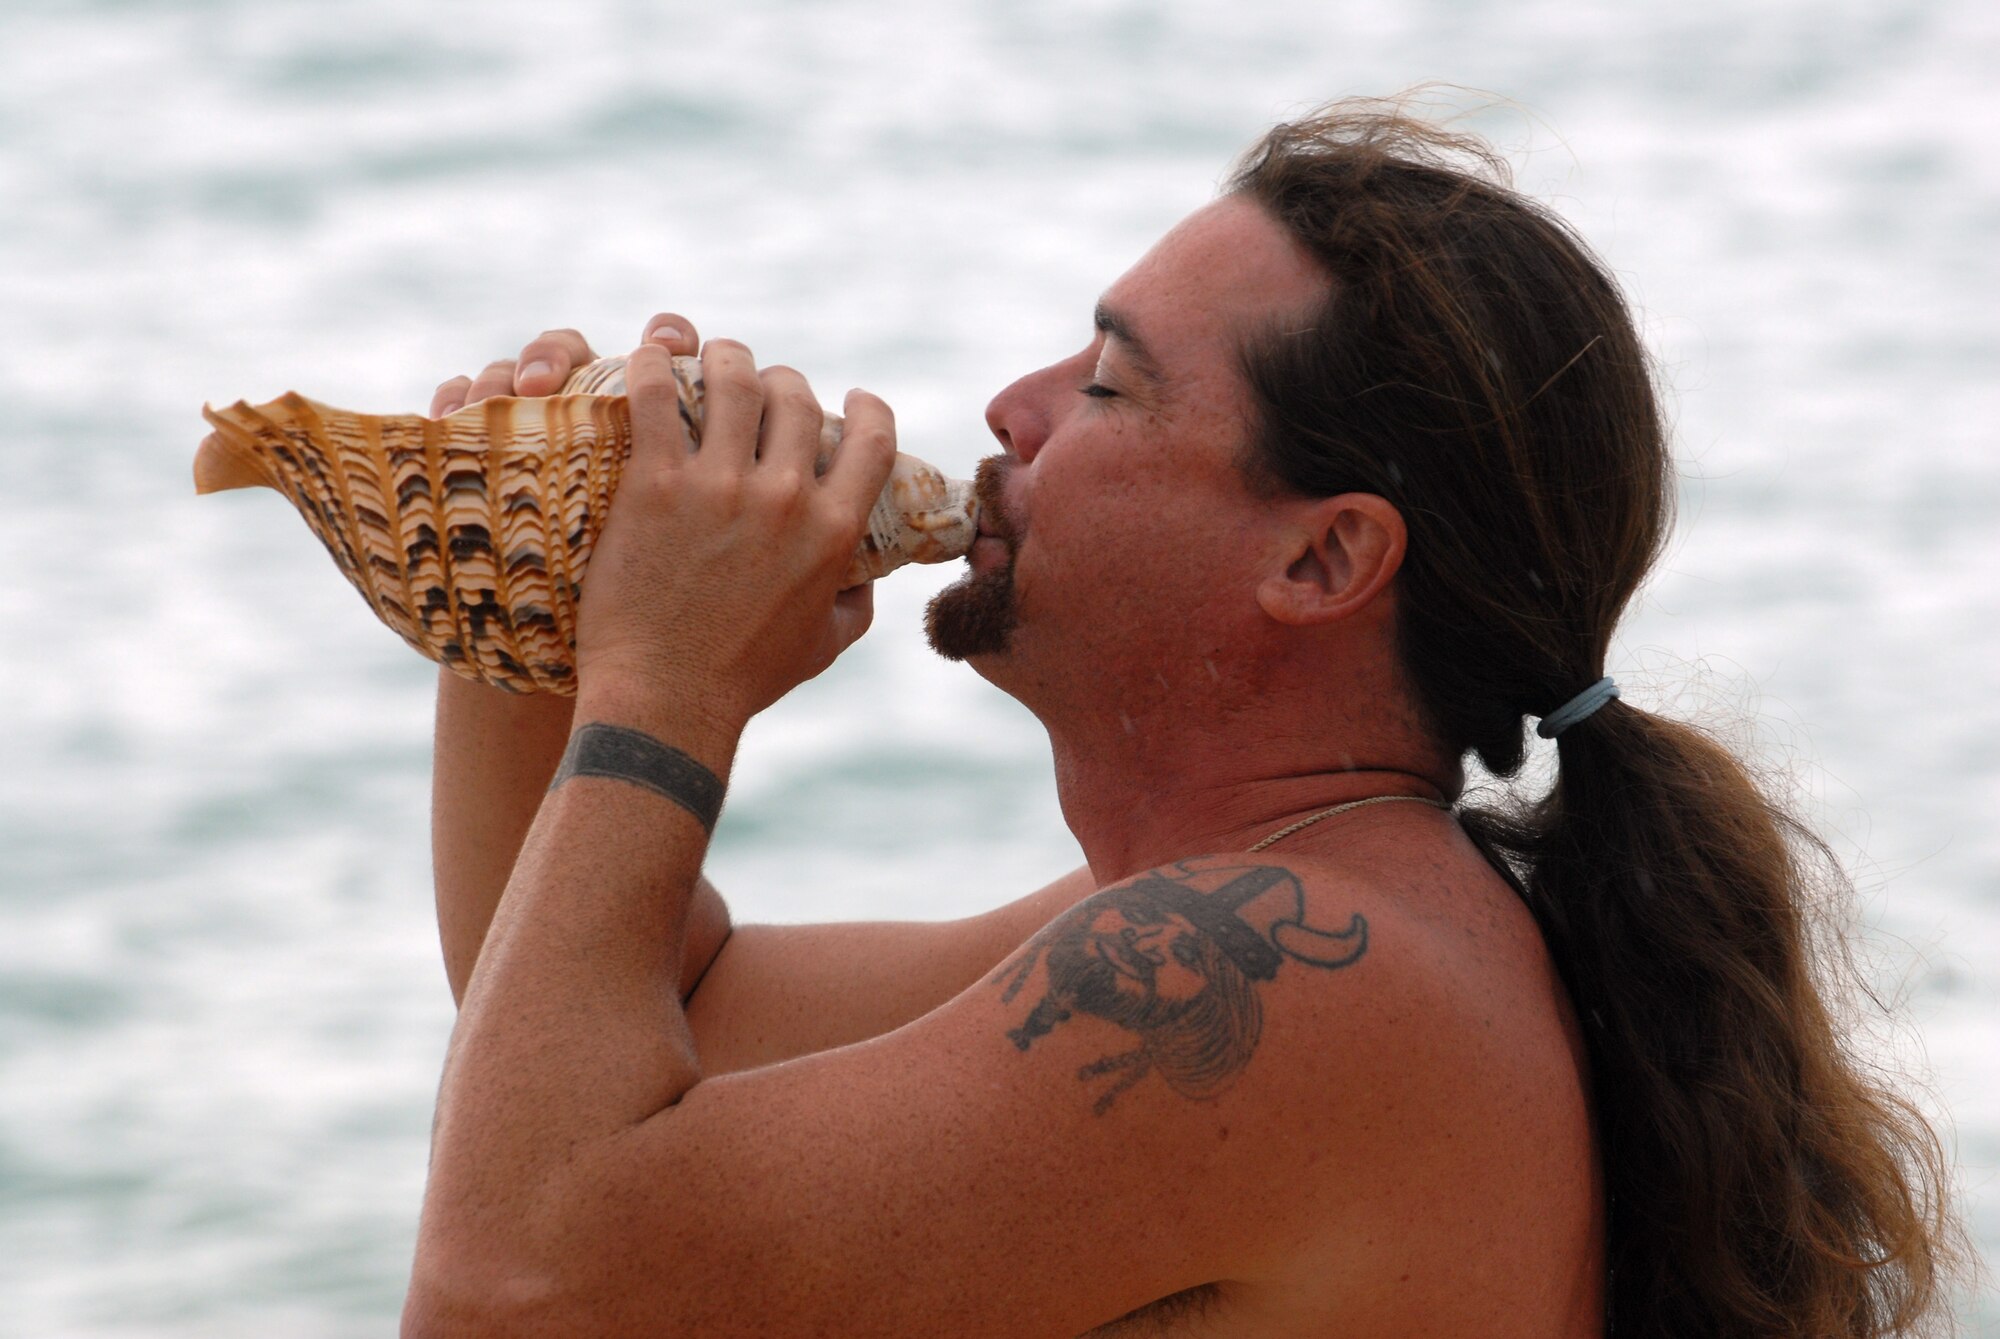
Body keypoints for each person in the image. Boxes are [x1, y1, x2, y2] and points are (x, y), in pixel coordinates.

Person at [402, 102, 1962, 1337]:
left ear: (1323, 556)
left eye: (1107, 388)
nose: (1012, 406)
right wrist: (536, 597)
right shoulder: (1273, 926)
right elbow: (633, 1018)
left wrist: (667, 689)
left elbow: (511, 1295)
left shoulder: (1303, 982)